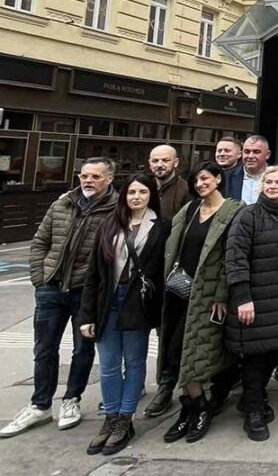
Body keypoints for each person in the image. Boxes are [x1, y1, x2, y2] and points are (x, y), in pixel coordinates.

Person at [1, 159, 118, 439]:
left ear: (109, 179)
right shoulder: (62, 204)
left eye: (96, 176)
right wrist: (39, 279)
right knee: (44, 349)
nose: (88, 180)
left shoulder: (116, 210)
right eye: (84, 175)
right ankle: (40, 405)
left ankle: (71, 399)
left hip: (86, 292)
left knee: (82, 349)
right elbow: (40, 241)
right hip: (51, 288)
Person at [77, 173, 168, 456]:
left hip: (137, 302)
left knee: (135, 361)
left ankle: (125, 418)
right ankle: (111, 417)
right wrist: (86, 315)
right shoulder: (110, 224)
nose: (136, 197)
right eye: (131, 192)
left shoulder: (161, 227)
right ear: (124, 195)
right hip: (108, 301)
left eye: (142, 192)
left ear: (151, 195)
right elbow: (93, 274)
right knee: (108, 364)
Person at [157, 161, 244, 444]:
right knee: (176, 352)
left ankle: (198, 407)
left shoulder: (233, 211)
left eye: (205, 178)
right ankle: (191, 406)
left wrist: (221, 294)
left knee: (191, 352)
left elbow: (232, 255)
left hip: (207, 296)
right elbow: (173, 244)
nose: (200, 184)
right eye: (196, 181)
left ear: (218, 179)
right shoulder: (190, 209)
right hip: (179, 291)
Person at [225, 165, 278, 442]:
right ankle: (254, 412)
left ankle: (254, 397)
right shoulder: (248, 215)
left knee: (275, 351)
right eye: (268, 182)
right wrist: (243, 297)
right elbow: (235, 257)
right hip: (257, 299)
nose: (272, 186)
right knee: (255, 356)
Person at [149, 145, 187, 221]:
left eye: (165, 160)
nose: (159, 165)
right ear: (149, 163)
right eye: (155, 161)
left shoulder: (186, 189)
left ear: (176, 162)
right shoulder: (145, 187)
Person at [241, 136, 272, 204]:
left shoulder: (277, 178)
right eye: (247, 152)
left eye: (256, 152)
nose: (250, 156)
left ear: (267, 155)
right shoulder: (228, 177)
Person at [215, 137, 244, 201]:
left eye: (227, 151)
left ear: (239, 154)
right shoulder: (210, 174)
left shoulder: (244, 176)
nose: (222, 154)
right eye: (219, 151)